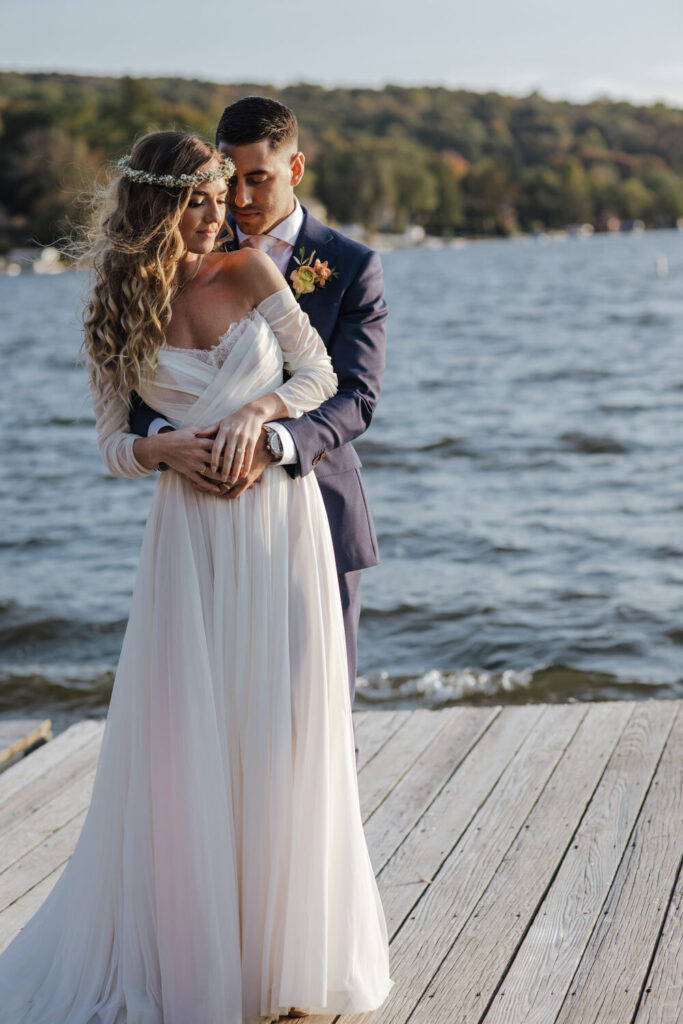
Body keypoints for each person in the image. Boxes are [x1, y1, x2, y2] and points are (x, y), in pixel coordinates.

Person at [0, 131, 393, 1024]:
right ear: (156, 205)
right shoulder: (113, 303)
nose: (220, 214)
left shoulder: (253, 271)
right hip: (189, 533)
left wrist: (259, 413)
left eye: (223, 197)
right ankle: (198, 962)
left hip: (277, 525)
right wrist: (160, 448)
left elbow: (323, 375)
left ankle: (290, 966)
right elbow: (110, 443)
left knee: (281, 728)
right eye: (201, 200)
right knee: (187, 741)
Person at [129, 97, 388, 733]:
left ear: (295, 168)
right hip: (206, 515)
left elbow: (355, 397)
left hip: (316, 507)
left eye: (258, 178)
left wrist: (271, 439)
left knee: (316, 717)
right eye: (229, 178)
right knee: (214, 718)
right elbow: (139, 391)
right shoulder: (183, 249)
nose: (238, 199)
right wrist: (169, 442)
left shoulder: (351, 266)